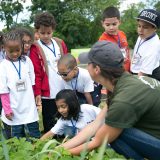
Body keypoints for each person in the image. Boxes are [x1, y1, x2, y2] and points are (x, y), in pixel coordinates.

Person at [62, 41, 160, 160]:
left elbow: (97, 141)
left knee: (114, 132)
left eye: (88, 63)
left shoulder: (123, 99)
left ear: (96, 69)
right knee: (110, 127)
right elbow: (96, 123)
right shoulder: (124, 82)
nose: (86, 66)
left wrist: (60, 154)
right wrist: (61, 148)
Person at [30, 12, 68, 133]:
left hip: (63, 86)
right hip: (48, 90)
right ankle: (50, 137)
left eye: (49, 33)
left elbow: (67, 61)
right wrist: (38, 92)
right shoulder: (35, 48)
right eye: (42, 33)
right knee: (49, 117)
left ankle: (64, 135)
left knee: (64, 113)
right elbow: (36, 72)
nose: (46, 36)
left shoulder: (59, 43)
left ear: (53, 30)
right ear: (37, 31)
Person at [0, 30, 40, 139]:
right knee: (17, 136)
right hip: (14, 107)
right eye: (11, 51)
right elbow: (3, 91)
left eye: (17, 50)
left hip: (28, 105)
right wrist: (7, 109)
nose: (15, 54)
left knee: (34, 132)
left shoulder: (27, 61)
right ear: (3, 48)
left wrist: (37, 96)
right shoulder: (3, 66)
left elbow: (33, 82)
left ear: (22, 47)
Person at [131, 9, 160, 81]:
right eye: (139, 26)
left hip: (148, 76)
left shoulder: (153, 47)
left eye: (145, 27)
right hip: (137, 71)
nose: (140, 30)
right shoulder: (143, 35)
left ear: (155, 28)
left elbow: (143, 74)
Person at [99, 6, 130, 72]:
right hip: (115, 73)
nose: (111, 28)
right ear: (102, 24)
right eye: (107, 25)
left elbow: (127, 51)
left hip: (128, 71)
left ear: (119, 22)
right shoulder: (102, 40)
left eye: (114, 24)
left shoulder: (122, 34)